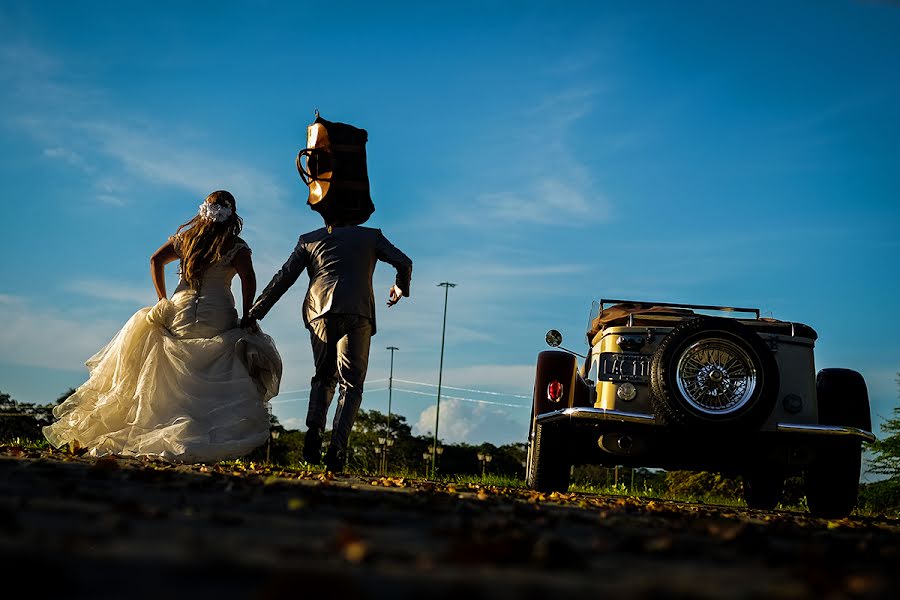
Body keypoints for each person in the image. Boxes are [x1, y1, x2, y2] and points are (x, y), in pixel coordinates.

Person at [43, 190, 282, 463]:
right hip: (217, 311)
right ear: (232, 214)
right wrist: (248, 313)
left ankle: (165, 425)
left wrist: (162, 298)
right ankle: (199, 433)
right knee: (213, 368)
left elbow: (155, 260)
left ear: (204, 211)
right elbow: (248, 278)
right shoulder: (235, 245)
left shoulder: (187, 240)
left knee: (173, 372)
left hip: (180, 307)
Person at [244, 218, 412, 473]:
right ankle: (337, 448)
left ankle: (314, 429)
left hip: (319, 312)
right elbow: (404, 261)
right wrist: (400, 286)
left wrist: (255, 312)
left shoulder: (309, 239)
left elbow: (284, 278)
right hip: (358, 312)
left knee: (324, 376)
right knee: (351, 383)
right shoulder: (371, 237)